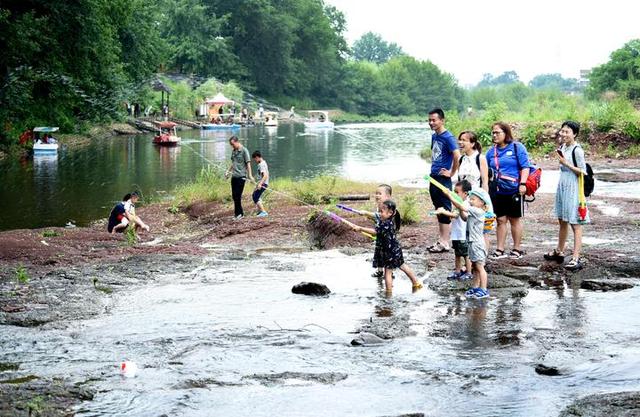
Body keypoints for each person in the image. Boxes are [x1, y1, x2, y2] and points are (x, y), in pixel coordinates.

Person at [349, 200, 423, 294]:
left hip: (389, 252)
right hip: (396, 249)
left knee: (387, 272)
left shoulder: (386, 223)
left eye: (381, 212)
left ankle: (388, 293)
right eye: (379, 211)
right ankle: (415, 283)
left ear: (390, 213)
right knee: (403, 266)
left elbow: (375, 232)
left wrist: (360, 228)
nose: (379, 214)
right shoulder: (387, 221)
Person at [544, 121, 589, 270]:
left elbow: (583, 171)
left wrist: (566, 162)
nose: (563, 134)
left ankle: (576, 258)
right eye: (562, 131)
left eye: (567, 132)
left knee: (575, 223)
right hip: (563, 185)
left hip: (574, 188)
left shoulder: (577, 150)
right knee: (562, 220)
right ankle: (560, 251)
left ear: (574, 134)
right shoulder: (563, 147)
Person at [485, 122, 530, 259]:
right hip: (497, 191)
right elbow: (486, 172)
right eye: (493, 132)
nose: (494, 135)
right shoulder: (490, 152)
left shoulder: (517, 147)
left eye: (497, 132)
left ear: (506, 133)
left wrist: (523, 184)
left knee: (514, 220)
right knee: (500, 220)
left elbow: (525, 167)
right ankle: (500, 249)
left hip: (514, 190)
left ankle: (516, 249)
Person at [445, 188, 491, 299]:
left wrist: (449, 196)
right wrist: (460, 209)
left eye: (473, 199)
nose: (470, 201)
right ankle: (475, 287)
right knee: (475, 266)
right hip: (471, 243)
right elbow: (464, 217)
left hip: (477, 244)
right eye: (470, 199)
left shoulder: (478, 211)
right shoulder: (474, 211)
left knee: (480, 267)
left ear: (481, 203)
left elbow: (462, 207)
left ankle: (484, 289)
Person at [427, 108, 461, 253]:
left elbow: (457, 155)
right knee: (438, 209)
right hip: (433, 177)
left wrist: (452, 172)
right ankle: (441, 240)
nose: (431, 123)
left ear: (442, 120)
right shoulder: (435, 136)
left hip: (443, 178)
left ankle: (446, 242)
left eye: (434, 120)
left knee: (445, 209)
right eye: (429, 120)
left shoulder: (448, 137)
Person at [353, 184, 401, 278]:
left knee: (387, 255)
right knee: (379, 254)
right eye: (376, 193)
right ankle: (380, 271)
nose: (377, 195)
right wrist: (365, 214)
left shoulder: (389, 209)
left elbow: (377, 216)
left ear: (388, 196)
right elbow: (376, 217)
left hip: (387, 239)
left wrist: (365, 213)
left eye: (379, 193)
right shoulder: (380, 206)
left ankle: (390, 273)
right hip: (380, 237)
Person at [435, 180, 473, 280]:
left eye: (457, 192)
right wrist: (444, 213)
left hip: (463, 234)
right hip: (456, 233)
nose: (455, 194)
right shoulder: (459, 203)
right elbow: (454, 215)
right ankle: (457, 271)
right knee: (457, 253)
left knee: (466, 254)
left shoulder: (466, 203)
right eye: (454, 192)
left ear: (465, 193)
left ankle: (469, 272)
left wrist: (444, 211)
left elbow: (457, 214)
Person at [225, 136, 253, 219]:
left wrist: (250, 175)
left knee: (238, 195)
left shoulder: (244, 151)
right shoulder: (234, 151)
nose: (232, 146)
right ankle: (237, 214)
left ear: (237, 142)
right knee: (234, 196)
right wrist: (228, 172)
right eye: (231, 145)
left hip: (241, 177)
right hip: (234, 176)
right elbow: (233, 163)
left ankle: (240, 214)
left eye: (233, 144)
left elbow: (248, 164)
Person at [251, 150, 269, 217]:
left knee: (255, 196)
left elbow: (265, 175)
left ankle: (263, 212)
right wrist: (254, 180)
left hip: (263, 184)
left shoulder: (261, 164)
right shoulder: (262, 163)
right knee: (254, 195)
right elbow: (261, 174)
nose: (255, 160)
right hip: (262, 183)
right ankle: (260, 211)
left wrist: (260, 184)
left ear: (257, 157)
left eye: (255, 159)